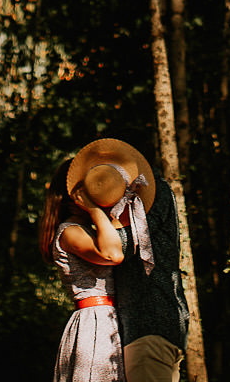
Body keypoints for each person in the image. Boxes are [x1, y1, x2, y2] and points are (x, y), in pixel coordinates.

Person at [65, 139, 188, 382]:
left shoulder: (142, 202)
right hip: (166, 323)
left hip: (147, 327)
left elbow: (116, 249)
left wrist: (94, 210)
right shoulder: (159, 191)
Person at [39, 155, 126, 382]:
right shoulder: (70, 231)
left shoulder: (90, 229)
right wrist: (95, 210)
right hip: (96, 321)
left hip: (108, 320)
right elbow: (113, 255)